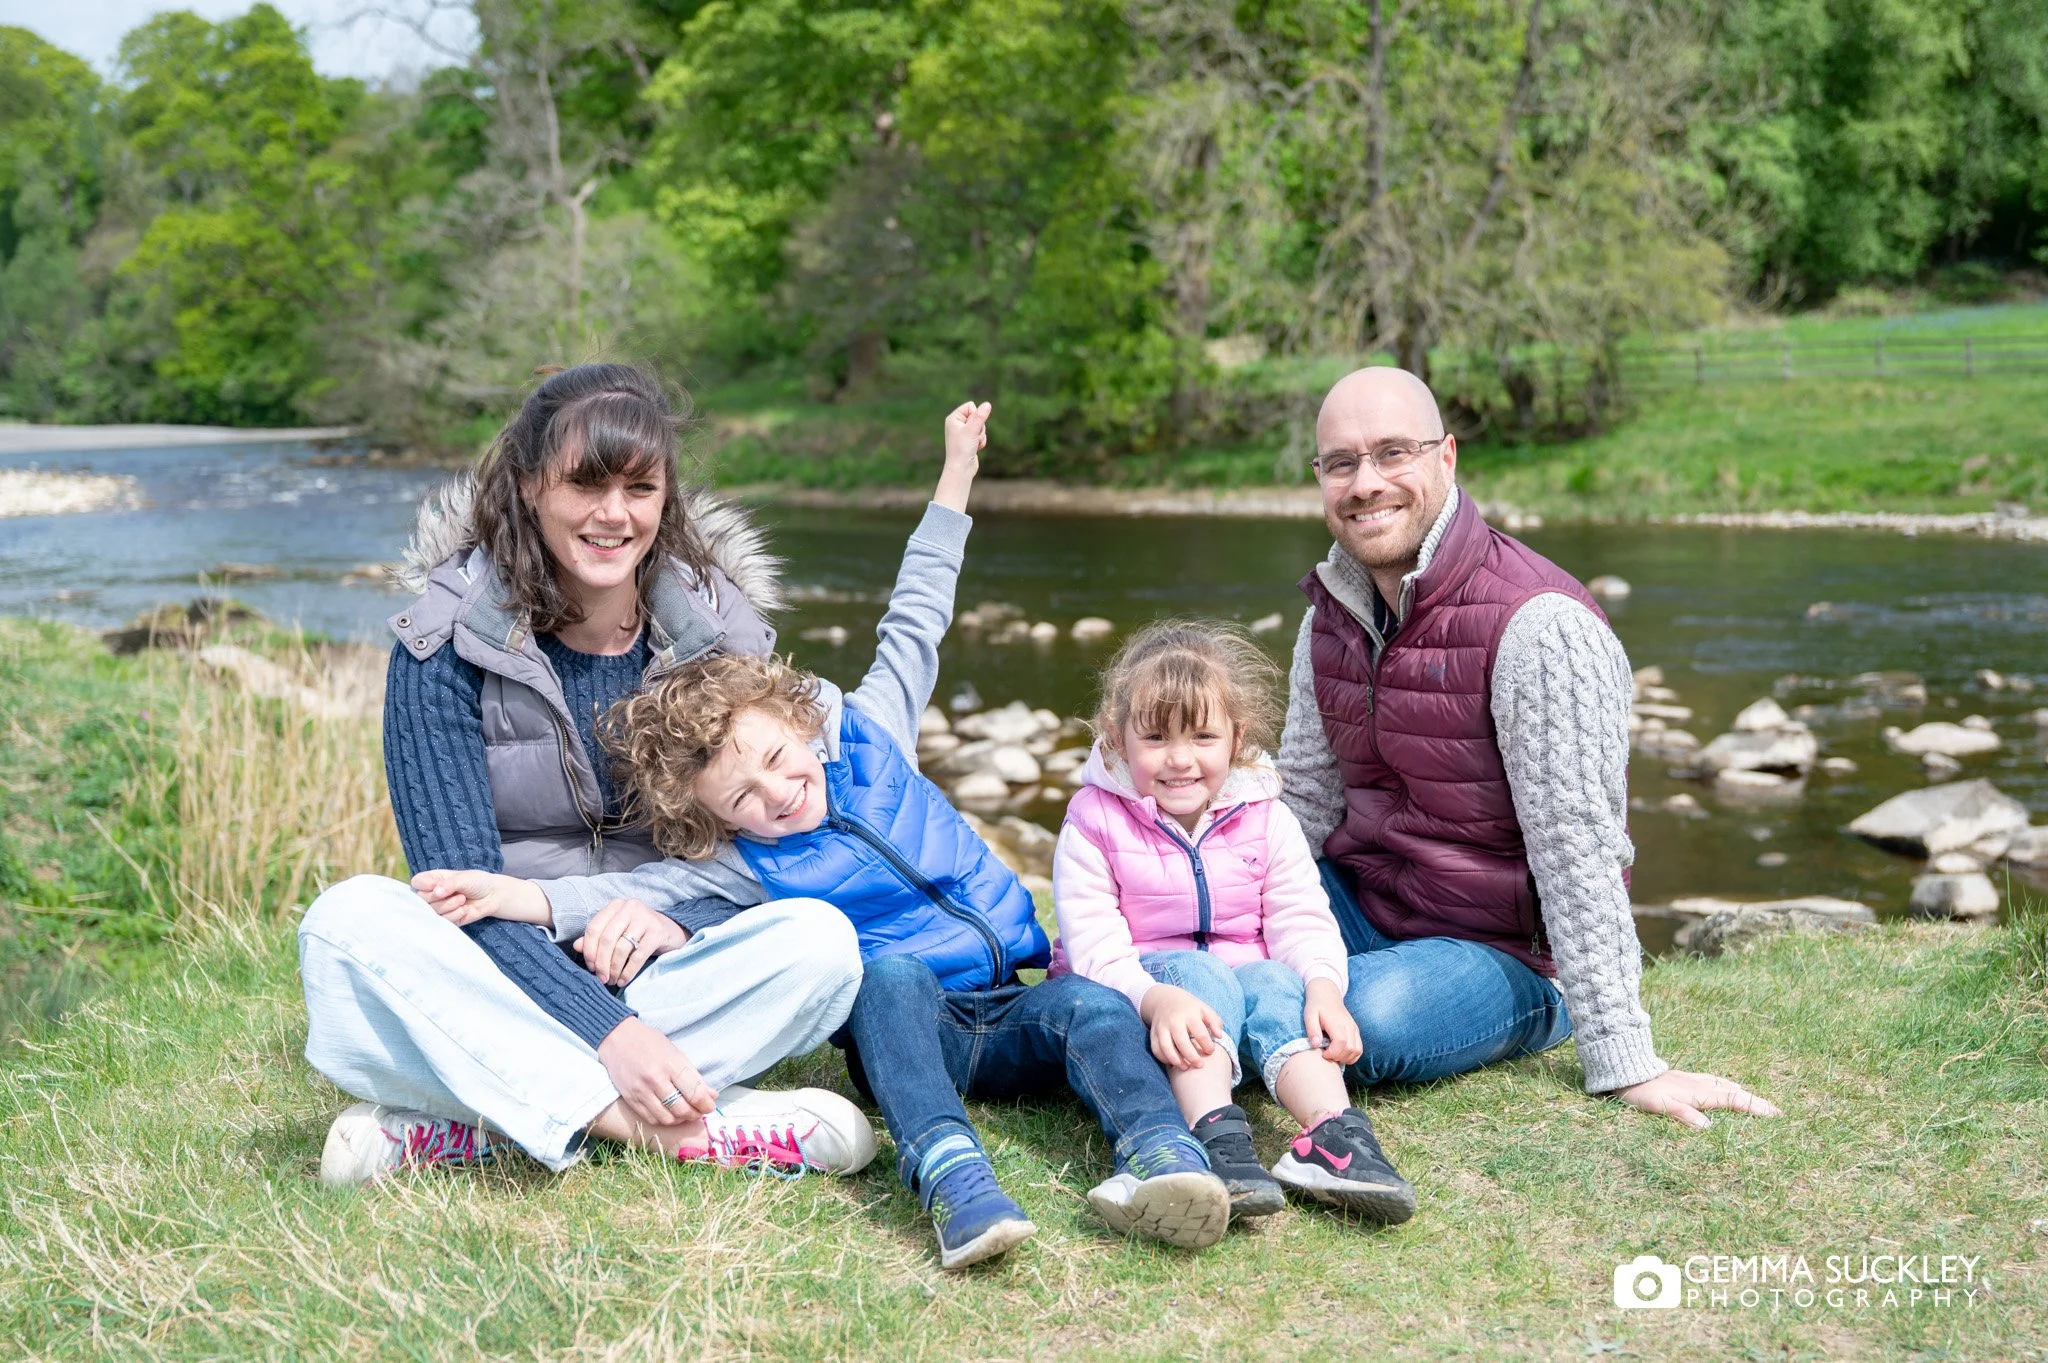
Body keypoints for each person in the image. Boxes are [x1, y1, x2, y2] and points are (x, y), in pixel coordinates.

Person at [416, 401, 1232, 1271]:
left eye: (776, 756)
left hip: (1014, 999)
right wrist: (514, 894)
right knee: (888, 976)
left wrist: (957, 473)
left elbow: (917, 614)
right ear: (718, 818)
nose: (778, 793)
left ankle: (1163, 1158)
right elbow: (624, 892)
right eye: (744, 796)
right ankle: (954, 1178)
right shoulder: (745, 864)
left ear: (799, 720)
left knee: (1095, 1006)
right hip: (909, 1028)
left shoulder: (875, 732)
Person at [298, 362, 873, 1186]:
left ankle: (478, 1118)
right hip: (499, 969)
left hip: (660, 970)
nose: (614, 514)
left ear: (666, 498)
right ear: (530, 484)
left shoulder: (717, 632)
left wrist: (679, 920)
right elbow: (461, 896)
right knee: (345, 922)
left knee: (821, 942)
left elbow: (770, 851)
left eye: (639, 488)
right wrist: (612, 1035)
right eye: (585, 484)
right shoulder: (440, 646)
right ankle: (668, 1130)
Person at [1276, 366, 1783, 1128]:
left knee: (1366, 1018)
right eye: (1341, 462)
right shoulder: (1329, 615)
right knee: (1201, 936)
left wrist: (1623, 1058)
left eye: (1392, 453)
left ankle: (1287, 1004)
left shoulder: (1539, 626)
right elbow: (1303, 804)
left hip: (1500, 951)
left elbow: (1578, 850)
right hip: (1366, 904)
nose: (1365, 482)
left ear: (1447, 456)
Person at [1049, 620, 1415, 1224]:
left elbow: (1300, 914)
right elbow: (1093, 945)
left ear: (1236, 738)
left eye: (1203, 736)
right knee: (1200, 973)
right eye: (1155, 737)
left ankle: (1333, 1137)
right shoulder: (1094, 819)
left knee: (1277, 979)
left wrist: (1324, 986)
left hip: (1238, 1002)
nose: (1180, 759)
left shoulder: (1265, 816)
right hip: (1141, 1001)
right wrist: (1152, 996)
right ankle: (1215, 1140)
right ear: (1117, 738)